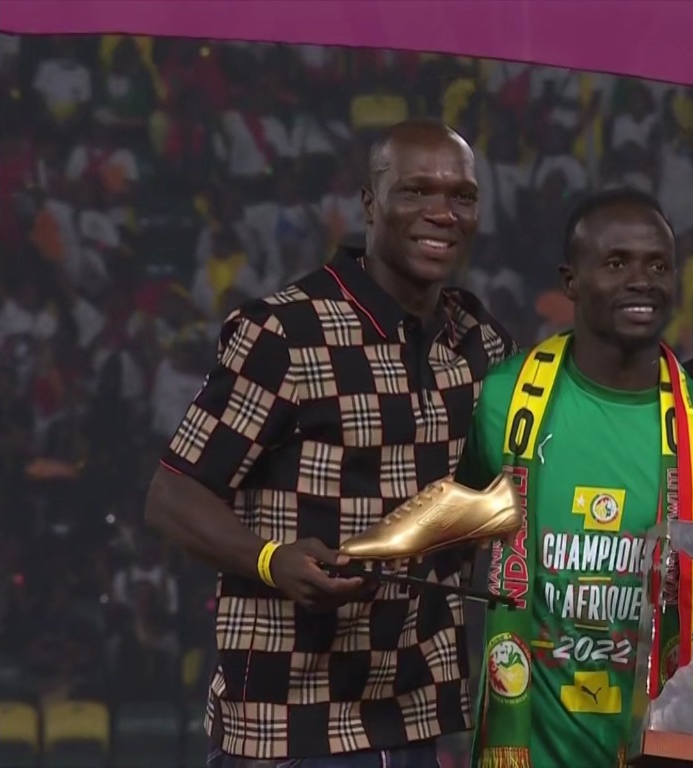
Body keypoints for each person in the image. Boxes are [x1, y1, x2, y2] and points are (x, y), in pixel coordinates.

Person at [144, 118, 516, 767]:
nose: (442, 213)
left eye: (462, 196)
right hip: (287, 726)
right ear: (370, 204)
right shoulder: (286, 332)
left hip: (412, 719)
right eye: (416, 191)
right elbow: (172, 495)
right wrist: (271, 561)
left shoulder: (480, 342)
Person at [456, 188, 693, 768]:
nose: (641, 281)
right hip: (528, 749)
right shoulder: (501, 403)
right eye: (617, 263)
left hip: (666, 754)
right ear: (570, 281)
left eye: (658, 266)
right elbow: (451, 543)